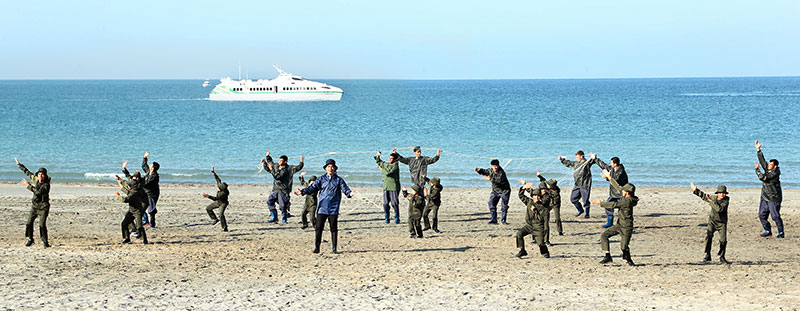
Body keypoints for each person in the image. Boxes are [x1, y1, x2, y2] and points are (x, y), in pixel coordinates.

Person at [295, 159, 353, 254]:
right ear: (326, 168)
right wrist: (302, 192)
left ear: (335, 168)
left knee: (333, 228)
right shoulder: (321, 179)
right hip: (322, 208)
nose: (330, 168)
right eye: (328, 167)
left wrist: (349, 193)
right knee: (318, 228)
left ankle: (334, 248)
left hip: (333, 208)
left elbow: (345, 189)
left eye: (332, 167)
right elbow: (312, 188)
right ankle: (317, 247)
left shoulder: (339, 180)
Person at [593, 169, 638, 266]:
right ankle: (607, 256)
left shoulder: (627, 201)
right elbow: (618, 187)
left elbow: (614, 204)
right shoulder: (626, 195)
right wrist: (609, 177)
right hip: (619, 225)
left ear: (627, 193)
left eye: (624, 191)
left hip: (626, 227)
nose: (622, 191)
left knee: (624, 247)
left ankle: (629, 260)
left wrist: (601, 203)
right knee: (604, 236)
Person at [15, 157, 51, 248]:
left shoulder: (46, 185)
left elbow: (38, 192)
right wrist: (20, 165)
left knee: (41, 225)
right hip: (35, 206)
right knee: (29, 223)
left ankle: (45, 241)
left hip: (43, 207)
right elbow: (28, 173)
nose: (40, 176)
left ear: (45, 176)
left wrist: (28, 185)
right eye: (39, 174)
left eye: (42, 175)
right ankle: (30, 239)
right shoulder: (36, 179)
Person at [691, 183, 730, 264]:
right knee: (709, 237)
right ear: (717, 193)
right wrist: (696, 190)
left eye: (723, 193)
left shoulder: (726, 200)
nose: (722, 195)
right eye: (720, 193)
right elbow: (704, 196)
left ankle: (722, 256)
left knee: (723, 240)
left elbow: (719, 209)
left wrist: (711, 201)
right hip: (712, 222)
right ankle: (708, 254)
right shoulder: (713, 198)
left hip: (722, 223)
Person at [262, 149, 304, 224]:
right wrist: (266, 158)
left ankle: (284, 218)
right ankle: (274, 217)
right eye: (279, 160)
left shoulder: (288, 169)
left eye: (281, 161)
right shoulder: (276, 166)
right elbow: (270, 164)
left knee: (282, 206)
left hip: (284, 190)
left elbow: (278, 177)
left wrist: (301, 161)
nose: (279, 162)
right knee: (270, 202)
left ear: (285, 162)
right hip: (275, 189)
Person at [754, 140, 784, 238]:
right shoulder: (768, 169)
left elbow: (763, 178)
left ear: (775, 166)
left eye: (771, 165)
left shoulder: (775, 173)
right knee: (761, 215)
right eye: (769, 164)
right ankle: (768, 231)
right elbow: (763, 162)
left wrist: (757, 170)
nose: (768, 165)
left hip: (774, 197)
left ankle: (781, 233)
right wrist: (758, 150)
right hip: (765, 196)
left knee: (775, 216)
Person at [514, 181, 550, 258]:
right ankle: (522, 250)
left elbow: (541, 218)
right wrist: (523, 188)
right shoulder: (529, 202)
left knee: (541, 244)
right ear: (532, 196)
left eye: (538, 196)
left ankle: (545, 253)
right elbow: (521, 196)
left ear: (540, 197)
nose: (536, 197)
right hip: (529, 225)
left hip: (538, 228)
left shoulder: (543, 207)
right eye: (535, 196)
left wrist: (535, 211)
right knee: (519, 234)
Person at [559, 151, 596, 218]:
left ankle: (587, 214)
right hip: (577, 185)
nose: (576, 158)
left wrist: (593, 157)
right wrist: (562, 159)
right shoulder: (576, 163)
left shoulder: (587, 163)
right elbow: (568, 163)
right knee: (573, 199)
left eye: (577, 157)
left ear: (581, 156)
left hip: (585, 184)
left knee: (585, 201)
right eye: (576, 157)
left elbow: (593, 161)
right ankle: (580, 210)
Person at [594, 156, 628, 228]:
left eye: (611, 163)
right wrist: (595, 158)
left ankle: (622, 224)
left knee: (622, 210)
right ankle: (609, 222)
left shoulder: (621, 171)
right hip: (613, 193)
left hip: (621, 193)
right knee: (608, 205)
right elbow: (603, 165)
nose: (610, 164)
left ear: (615, 164)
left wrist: (607, 176)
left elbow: (616, 181)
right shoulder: (612, 169)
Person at [115, 173, 149, 244]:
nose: (128, 186)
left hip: (137, 211)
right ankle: (126, 239)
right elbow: (125, 189)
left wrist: (118, 196)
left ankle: (144, 240)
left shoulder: (134, 193)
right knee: (124, 224)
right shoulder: (135, 190)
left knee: (139, 226)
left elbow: (125, 200)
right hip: (131, 211)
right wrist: (119, 181)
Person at [475, 159, 511, 224]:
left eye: (497, 166)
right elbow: (485, 172)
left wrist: (489, 178)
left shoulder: (502, 173)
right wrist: (479, 170)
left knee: (504, 207)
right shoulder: (490, 170)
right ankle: (494, 219)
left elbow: (498, 181)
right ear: (492, 166)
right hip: (495, 191)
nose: (495, 167)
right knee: (491, 204)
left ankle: (503, 221)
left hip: (505, 191)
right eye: (494, 166)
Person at [375, 151, 401, 224]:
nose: (390, 160)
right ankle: (387, 217)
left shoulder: (395, 165)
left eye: (391, 158)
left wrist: (381, 169)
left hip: (394, 187)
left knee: (394, 203)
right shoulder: (386, 164)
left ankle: (397, 217)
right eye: (389, 158)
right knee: (385, 204)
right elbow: (379, 162)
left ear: (395, 159)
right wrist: (378, 156)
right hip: (386, 186)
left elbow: (388, 172)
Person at [203, 166, 230, 232]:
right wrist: (214, 173)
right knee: (208, 208)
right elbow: (218, 179)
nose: (218, 187)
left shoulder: (223, 193)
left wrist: (208, 196)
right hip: (218, 202)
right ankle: (215, 219)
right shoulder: (221, 186)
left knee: (221, 215)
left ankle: (224, 228)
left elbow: (215, 198)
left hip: (223, 204)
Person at [537, 172, 563, 238]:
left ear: (552, 186)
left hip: (555, 204)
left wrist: (546, 190)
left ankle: (560, 231)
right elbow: (543, 180)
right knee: (543, 214)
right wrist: (539, 176)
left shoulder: (556, 190)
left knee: (557, 218)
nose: (547, 185)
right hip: (549, 203)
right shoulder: (548, 185)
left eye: (549, 185)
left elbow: (553, 193)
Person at [140, 151, 160, 228]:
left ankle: (152, 222)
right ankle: (145, 221)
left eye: (151, 165)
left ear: (153, 168)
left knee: (151, 210)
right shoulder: (149, 172)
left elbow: (146, 183)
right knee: (140, 207)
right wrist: (145, 157)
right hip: (145, 193)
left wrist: (138, 183)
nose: (150, 165)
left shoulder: (155, 176)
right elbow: (144, 166)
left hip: (152, 194)